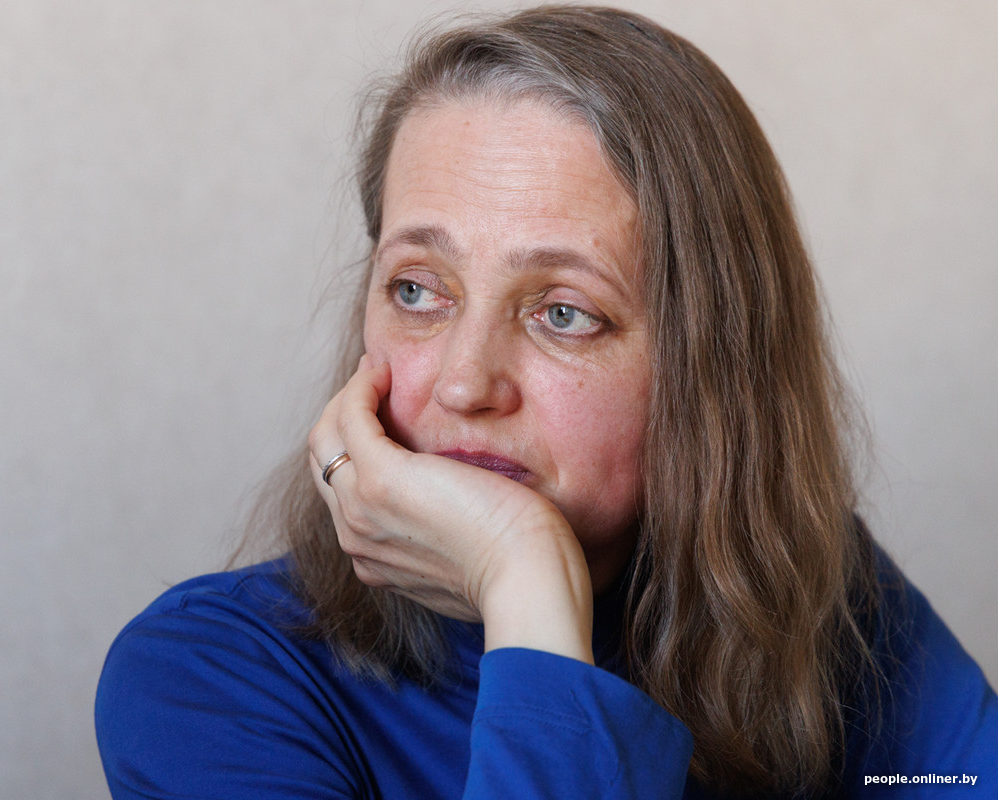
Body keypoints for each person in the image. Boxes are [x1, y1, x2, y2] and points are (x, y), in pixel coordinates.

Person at [94, 6, 997, 798]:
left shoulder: (826, 605)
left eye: (563, 313)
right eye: (417, 290)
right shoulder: (208, 681)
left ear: (714, 371)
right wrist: (525, 583)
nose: (463, 383)